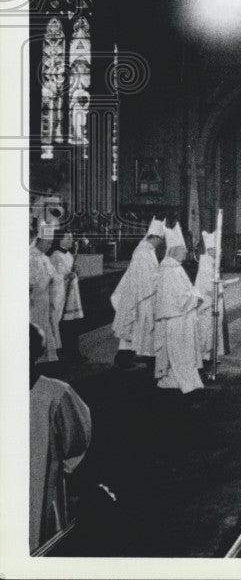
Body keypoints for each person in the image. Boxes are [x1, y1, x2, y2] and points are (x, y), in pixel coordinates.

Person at [29, 323, 92, 552]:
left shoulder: (54, 394)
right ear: (40, 351)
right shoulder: (56, 393)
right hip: (42, 486)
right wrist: (59, 467)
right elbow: (77, 438)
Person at [153, 232, 204, 394]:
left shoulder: (175, 268)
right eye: (183, 249)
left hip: (182, 316)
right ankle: (177, 381)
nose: (186, 252)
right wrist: (196, 297)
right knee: (178, 351)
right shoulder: (169, 270)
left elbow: (185, 291)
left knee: (183, 351)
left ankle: (184, 379)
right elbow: (177, 298)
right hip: (176, 317)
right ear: (173, 250)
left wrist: (193, 294)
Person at [111, 218, 164, 368]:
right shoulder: (143, 252)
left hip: (143, 293)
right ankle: (125, 357)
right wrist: (160, 277)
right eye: (160, 239)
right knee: (137, 326)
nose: (161, 242)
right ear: (154, 237)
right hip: (140, 295)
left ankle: (142, 355)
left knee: (140, 328)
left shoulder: (148, 250)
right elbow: (145, 277)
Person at [49, 233, 85, 362]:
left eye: (71, 237)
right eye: (67, 237)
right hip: (62, 295)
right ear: (59, 239)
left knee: (73, 325)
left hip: (72, 295)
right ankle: (67, 354)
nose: (71, 240)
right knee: (65, 326)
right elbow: (52, 277)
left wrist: (75, 271)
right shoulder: (55, 256)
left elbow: (70, 273)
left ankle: (74, 352)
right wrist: (65, 277)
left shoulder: (69, 255)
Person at [29, 226, 62, 363]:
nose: (50, 246)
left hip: (45, 301)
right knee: (36, 329)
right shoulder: (30, 258)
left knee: (45, 327)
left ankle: (44, 359)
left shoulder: (45, 258)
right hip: (34, 301)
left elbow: (55, 276)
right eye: (48, 243)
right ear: (39, 241)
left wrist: (63, 277)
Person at [196, 229, 225, 362]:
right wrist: (220, 286)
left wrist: (220, 284)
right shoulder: (205, 265)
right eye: (217, 250)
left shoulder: (212, 262)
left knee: (214, 327)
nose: (220, 252)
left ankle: (212, 354)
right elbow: (207, 287)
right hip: (207, 302)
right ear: (210, 250)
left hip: (214, 299)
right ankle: (205, 356)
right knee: (206, 329)